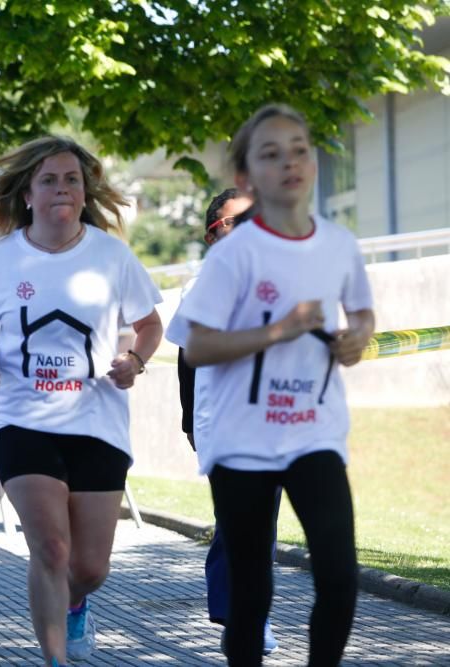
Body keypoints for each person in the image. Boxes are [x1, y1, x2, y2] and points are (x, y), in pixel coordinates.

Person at [175, 104, 374, 665]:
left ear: (312, 161)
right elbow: (198, 346)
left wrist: (355, 338)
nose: (288, 162)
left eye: (299, 149)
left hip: (316, 432)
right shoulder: (231, 256)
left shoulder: (339, 243)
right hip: (245, 441)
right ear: (248, 177)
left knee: (339, 577)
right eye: (270, 153)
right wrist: (280, 330)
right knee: (251, 593)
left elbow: (361, 315)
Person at [0, 136, 163, 667]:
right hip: (20, 418)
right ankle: (55, 662)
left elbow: (149, 324)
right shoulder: (1, 259)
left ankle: (76, 604)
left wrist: (135, 361)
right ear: (27, 193)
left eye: (71, 179)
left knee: (91, 566)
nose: (61, 189)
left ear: (83, 190)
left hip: (97, 419)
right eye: (48, 180)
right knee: (50, 549)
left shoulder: (110, 255)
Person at [169, 188, 280, 655]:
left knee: (263, 523)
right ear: (215, 235)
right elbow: (186, 360)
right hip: (224, 423)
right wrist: (191, 423)